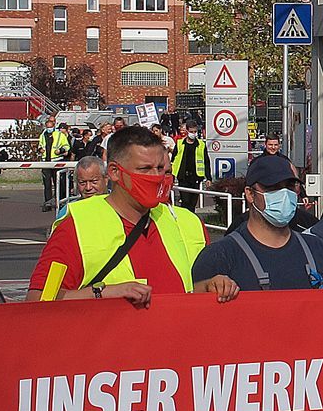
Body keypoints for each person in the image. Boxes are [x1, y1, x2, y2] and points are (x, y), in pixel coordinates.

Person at [29, 126, 233, 306]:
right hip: (109, 338)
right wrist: (102, 293)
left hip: (174, 336)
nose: (156, 177)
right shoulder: (77, 225)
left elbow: (183, 292)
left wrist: (209, 286)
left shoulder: (187, 223)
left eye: (160, 169)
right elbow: (39, 301)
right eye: (145, 169)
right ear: (115, 172)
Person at [192, 154, 323, 293]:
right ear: (250, 194)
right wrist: (207, 287)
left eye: (290, 186)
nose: (284, 194)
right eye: (273, 187)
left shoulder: (318, 248)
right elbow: (193, 304)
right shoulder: (219, 256)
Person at [172, 120, 212, 210]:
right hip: (183, 177)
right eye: (191, 131)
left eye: (195, 131)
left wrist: (208, 178)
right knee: (185, 202)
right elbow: (174, 160)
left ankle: (191, 217)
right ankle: (185, 218)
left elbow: (206, 161)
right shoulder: (180, 143)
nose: (193, 134)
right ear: (187, 131)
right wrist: (172, 176)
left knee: (192, 203)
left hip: (196, 177)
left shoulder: (201, 145)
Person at [39, 115, 71, 212]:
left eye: (50, 127)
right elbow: (40, 145)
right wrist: (40, 149)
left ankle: (59, 202)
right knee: (47, 184)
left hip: (57, 161)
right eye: (47, 127)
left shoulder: (60, 135)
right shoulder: (43, 135)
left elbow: (67, 146)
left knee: (58, 183)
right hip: (46, 162)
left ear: (54, 126)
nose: (49, 128)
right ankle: (48, 202)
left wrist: (60, 151)